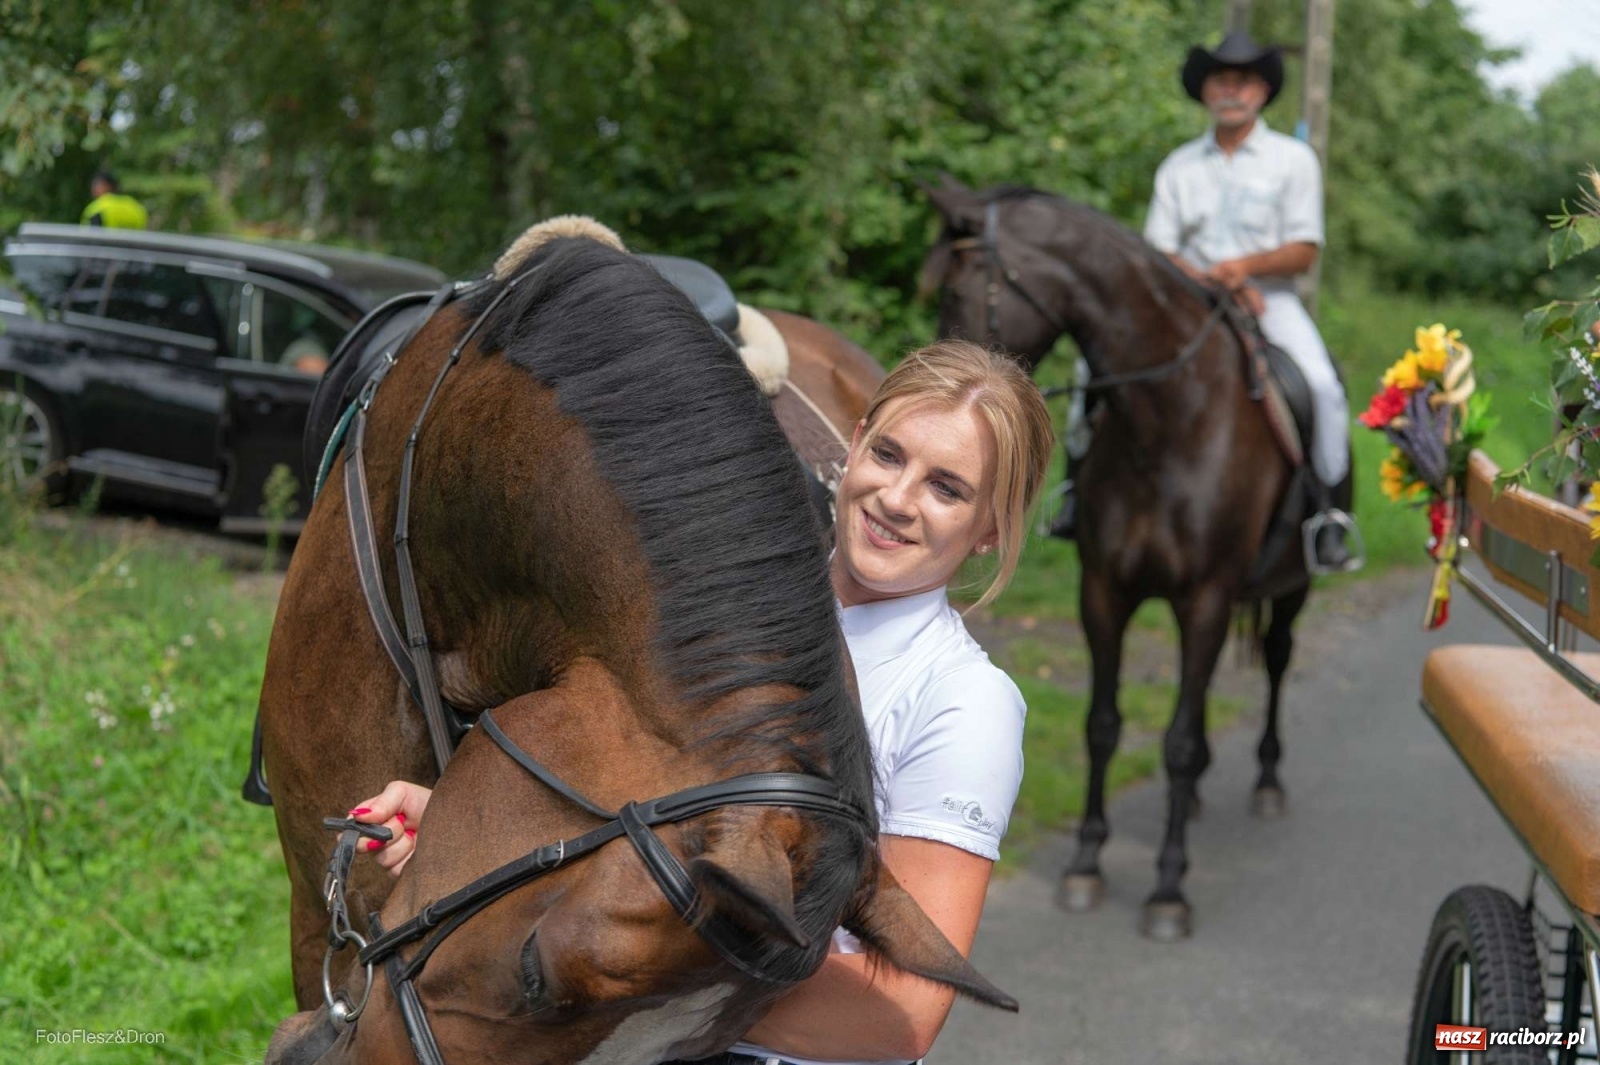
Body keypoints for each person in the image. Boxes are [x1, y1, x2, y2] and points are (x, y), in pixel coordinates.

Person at [348, 339, 1055, 1065]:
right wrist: (468, 841)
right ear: (854, 444)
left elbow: (899, 1014)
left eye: (947, 488)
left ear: (990, 530)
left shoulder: (966, 702)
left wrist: (622, 973)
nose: (898, 498)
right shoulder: (720, 610)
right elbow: (633, 837)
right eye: (889, 454)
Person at [1140, 30, 1357, 570]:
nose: (1230, 91)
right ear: (1206, 91)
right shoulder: (1178, 165)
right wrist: (1206, 279)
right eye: (1220, 80)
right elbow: (1157, 251)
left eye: (1241, 81)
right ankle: (1075, 496)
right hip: (1187, 301)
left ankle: (1328, 517)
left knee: (1324, 389)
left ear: (1261, 91)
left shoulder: (1293, 160)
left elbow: (1304, 249)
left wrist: (1244, 270)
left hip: (1271, 299)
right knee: (1099, 374)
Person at [79, 170, 149, 230]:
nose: (93, 189)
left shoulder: (96, 209)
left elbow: (90, 239)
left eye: (95, 185)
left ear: (105, 186)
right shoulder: (136, 207)